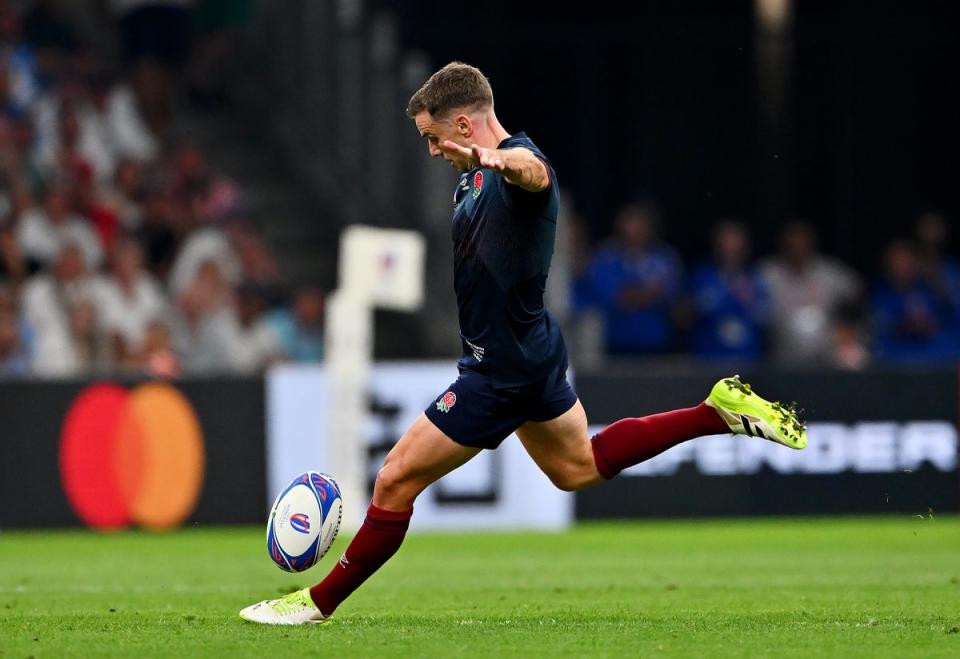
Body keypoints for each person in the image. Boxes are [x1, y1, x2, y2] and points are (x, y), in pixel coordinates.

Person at [239, 62, 808, 625]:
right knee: (577, 467)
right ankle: (716, 414)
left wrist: (493, 158)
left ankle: (314, 604)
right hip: (529, 347)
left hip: (500, 370)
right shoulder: (468, 176)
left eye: (433, 138)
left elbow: (530, 172)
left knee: (393, 479)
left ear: (464, 126)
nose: (432, 150)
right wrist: (481, 164)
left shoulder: (517, 167)